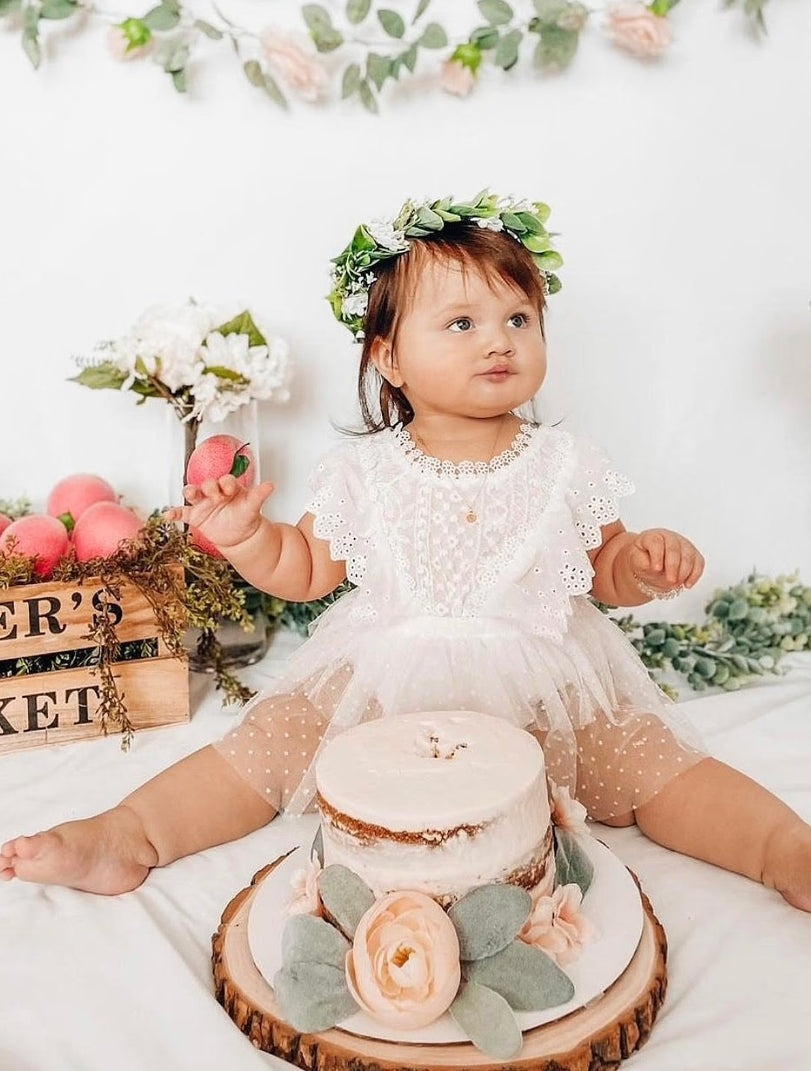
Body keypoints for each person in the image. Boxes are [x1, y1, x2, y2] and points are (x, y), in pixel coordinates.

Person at [2, 192, 809, 910]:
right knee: (264, 747)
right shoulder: (364, 470)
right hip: (385, 682)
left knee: (651, 765)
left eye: (517, 319)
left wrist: (639, 564)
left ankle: (781, 849)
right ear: (387, 356)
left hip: (542, 680)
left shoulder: (567, 462)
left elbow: (600, 566)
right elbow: (307, 569)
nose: (497, 341)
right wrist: (248, 538)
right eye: (461, 323)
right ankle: (129, 833)